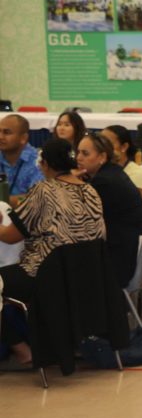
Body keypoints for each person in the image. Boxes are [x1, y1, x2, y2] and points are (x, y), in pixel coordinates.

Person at [0, 139, 105, 366]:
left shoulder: (43, 191)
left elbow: (10, 236)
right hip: (86, 277)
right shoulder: (90, 190)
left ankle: (20, 348)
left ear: (45, 164)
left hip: (44, 276)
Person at [76, 133, 142, 287]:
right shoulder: (112, 172)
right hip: (128, 250)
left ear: (102, 157)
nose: (78, 158)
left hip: (120, 260)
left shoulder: (104, 181)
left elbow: (77, 218)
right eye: (77, 152)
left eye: (85, 153)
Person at [101, 125, 142, 218]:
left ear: (124, 147)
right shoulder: (103, 171)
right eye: (100, 143)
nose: (101, 147)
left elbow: (125, 206)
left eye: (108, 143)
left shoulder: (137, 173)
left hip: (133, 224)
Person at [0, 114, 44, 198]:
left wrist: (6, 201)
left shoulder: (38, 162)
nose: (0, 137)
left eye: (7, 132)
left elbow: (37, 198)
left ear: (23, 138)